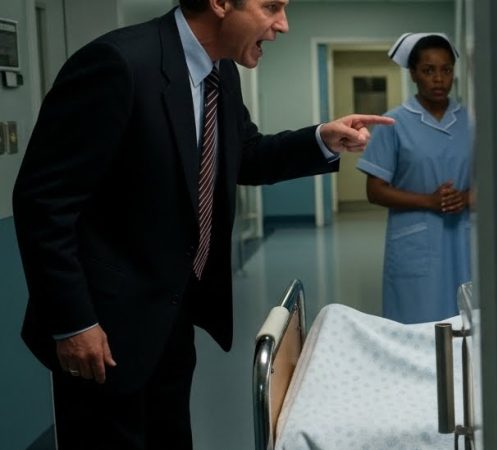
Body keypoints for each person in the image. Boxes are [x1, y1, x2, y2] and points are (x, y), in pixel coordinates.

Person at [12, 1, 394, 448]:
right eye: (271, 6)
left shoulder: (219, 73)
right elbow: (44, 201)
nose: (283, 25)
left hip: (171, 313)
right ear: (220, 4)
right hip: (104, 329)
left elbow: (242, 154)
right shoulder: (119, 65)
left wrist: (320, 140)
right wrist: (74, 323)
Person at [359, 33, 472, 324]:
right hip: (415, 240)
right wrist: (429, 201)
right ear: (413, 73)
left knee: (468, 322)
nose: (439, 79)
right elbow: (375, 190)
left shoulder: (472, 122)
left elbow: (491, 179)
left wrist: (465, 197)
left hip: (464, 237)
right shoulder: (393, 123)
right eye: (428, 70)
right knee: (415, 325)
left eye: (446, 70)